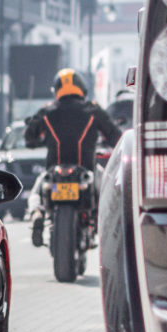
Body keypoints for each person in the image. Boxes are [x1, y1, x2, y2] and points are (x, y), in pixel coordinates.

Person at [23, 68, 122, 247]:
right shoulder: (93, 109)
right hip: (87, 170)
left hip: (54, 170)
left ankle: (37, 214)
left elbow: (29, 137)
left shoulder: (47, 111)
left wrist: (43, 141)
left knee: (36, 192)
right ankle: (106, 226)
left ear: (56, 90)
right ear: (81, 88)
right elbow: (115, 136)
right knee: (106, 190)